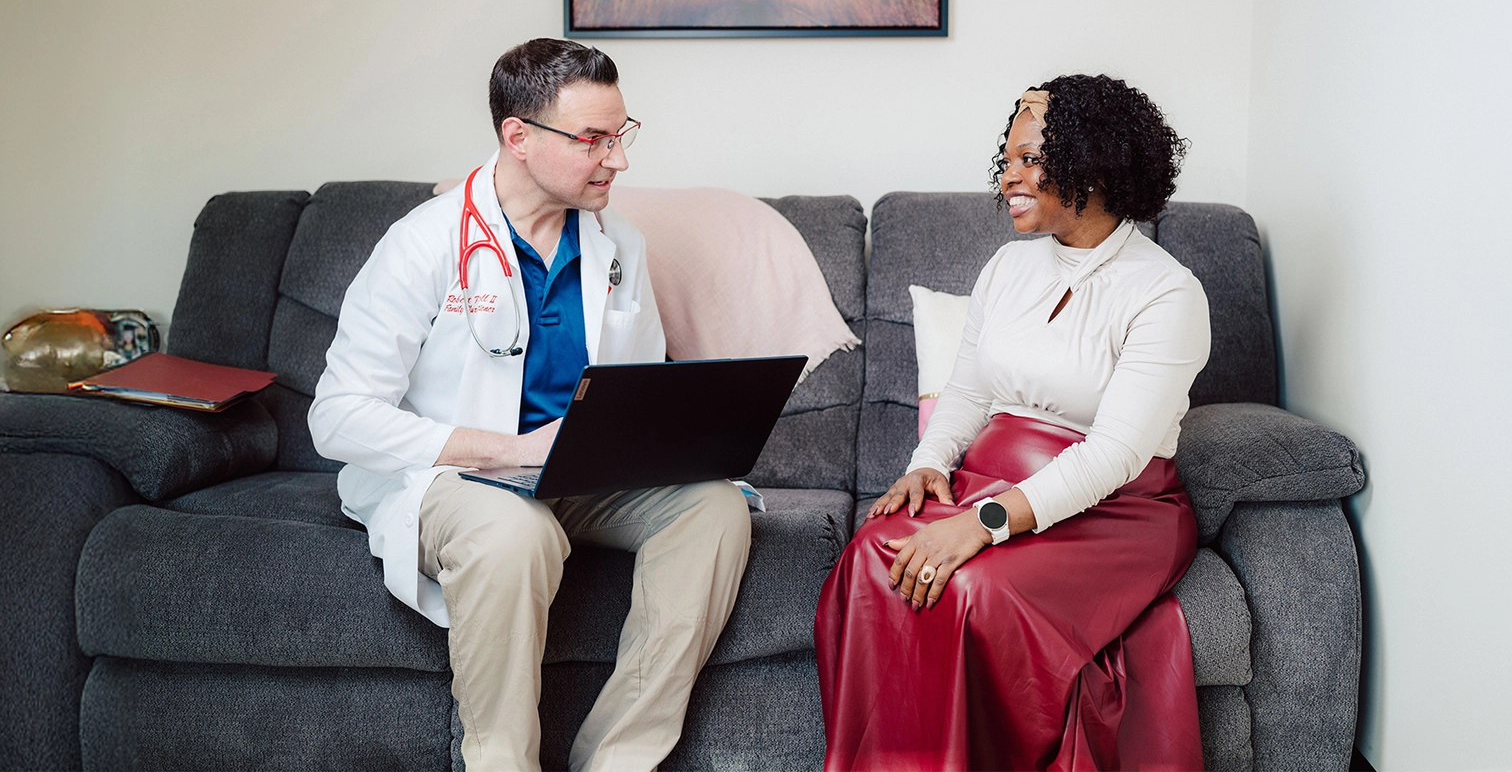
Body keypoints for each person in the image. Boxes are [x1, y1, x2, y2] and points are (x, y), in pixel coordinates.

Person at [309, 38, 751, 772]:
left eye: (622, 134)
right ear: (518, 137)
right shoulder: (424, 245)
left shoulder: (618, 244)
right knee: (517, 534)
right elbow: (336, 416)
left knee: (713, 507)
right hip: (453, 481)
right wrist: (513, 450)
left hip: (579, 472)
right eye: (593, 140)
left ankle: (616, 762)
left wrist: (683, 443)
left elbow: (633, 388)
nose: (619, 159)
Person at [815, 75, 1212, 771]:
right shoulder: (1007, 266)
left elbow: (1115, 453)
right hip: (992, 479)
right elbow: (965, 394)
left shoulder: (1167, 292)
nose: (1009, 179)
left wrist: (986, 523)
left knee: (971, 588)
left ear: (1092, 162)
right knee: (871, 560)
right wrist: (929, 465)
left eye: (1031, 159)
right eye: (1007, 160)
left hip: (1118, 508)